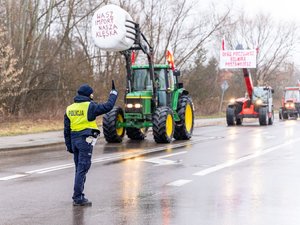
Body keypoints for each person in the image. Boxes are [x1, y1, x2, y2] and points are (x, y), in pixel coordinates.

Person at [64, 82, 118, 206]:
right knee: (83, 168)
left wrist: (69, 146)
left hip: (74, 141)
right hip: (85, 140)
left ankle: (79, 195)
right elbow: (108, 106)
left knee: (79, 169)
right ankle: (78, 198)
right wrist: (113, 94)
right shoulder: (90, 106)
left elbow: (66, 130)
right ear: (89, 95)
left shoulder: (69, 108)